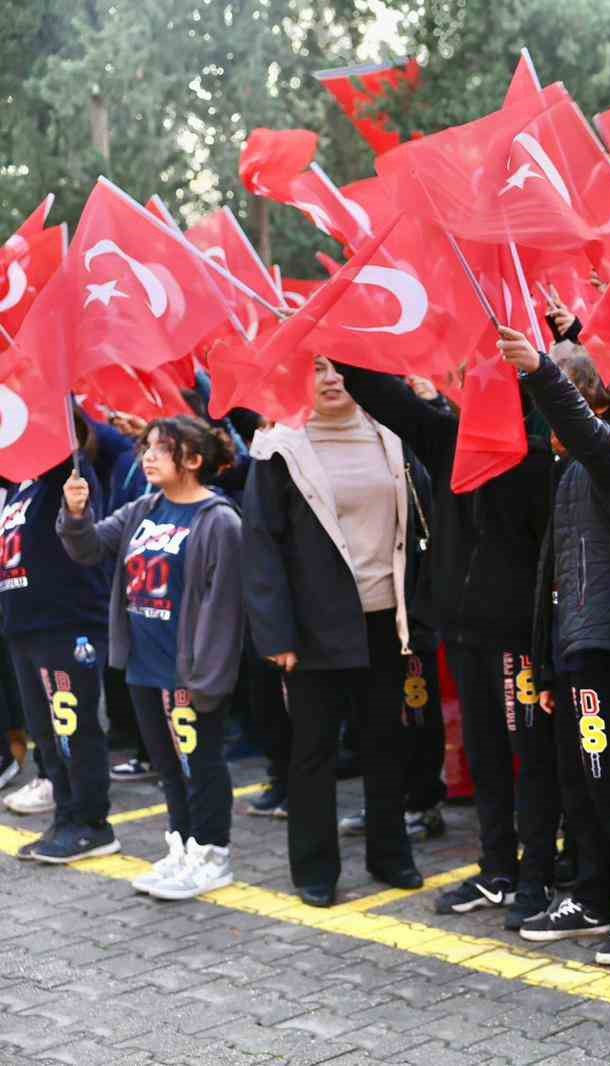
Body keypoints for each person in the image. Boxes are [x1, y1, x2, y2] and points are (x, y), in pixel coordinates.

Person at [333, 358, 558, 929]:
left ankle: (537, 874)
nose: (466, 399)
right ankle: (498, 868)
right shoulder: (447, 440)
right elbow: (384, 393)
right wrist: (339, 339)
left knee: (530, 759)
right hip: (461, 631)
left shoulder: (537, 458)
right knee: (483, 758)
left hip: (517, 640)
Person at [499, 330, 610, 966]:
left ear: (591, 397)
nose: (546, 426)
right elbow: (554, 572)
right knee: (580, 782)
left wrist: (542, 369)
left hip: (608, 644)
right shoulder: (570, 470)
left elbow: (582, 426)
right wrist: (545, 663)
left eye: (554, 407)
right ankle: (592, 895)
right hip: (571, 650)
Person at [242, 357, 423, 907]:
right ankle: (316, 871)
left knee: (385, 744)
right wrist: (277, 636)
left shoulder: (390, 436)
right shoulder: (279, 448)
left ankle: (390, 855)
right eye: (316, 369)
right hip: (314, 628)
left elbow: (420, 519)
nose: (331, 379)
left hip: (385, 620)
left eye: (341, 368)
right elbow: (261, 546)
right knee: (314, 751)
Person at [57, 415, 244, 899]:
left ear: (194, 461)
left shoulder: (219, 520)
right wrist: (76, 514)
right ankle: (182, 847)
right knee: (168, 765)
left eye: (162, 449)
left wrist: (208, 676)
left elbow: (224, 608)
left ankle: (213, 854)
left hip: (190, 669)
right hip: (144, 665)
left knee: (198, 765)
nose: (149, 456)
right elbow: (90, 549)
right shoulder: (143, 508)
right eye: (147, 448)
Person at [0, 438, 117, 862]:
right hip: (25, 628)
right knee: (47, 736)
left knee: (74, 730)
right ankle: (66, 819)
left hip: (65, 624)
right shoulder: (20, 482)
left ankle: (92, 825)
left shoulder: (63, 471)